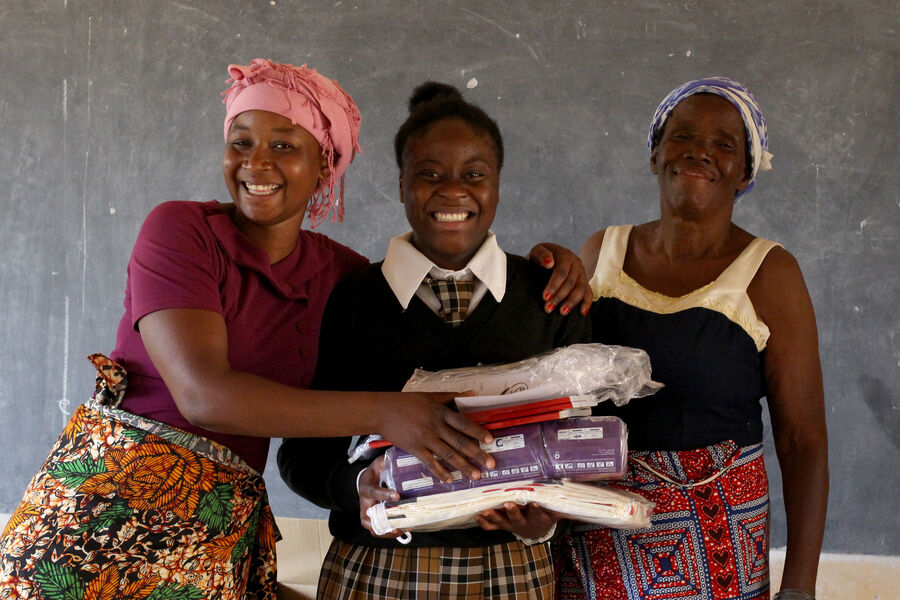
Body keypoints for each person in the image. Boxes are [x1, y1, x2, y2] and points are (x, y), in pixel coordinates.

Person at [0, 60, 587, 599]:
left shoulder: (340, 276)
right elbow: (203, 397)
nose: (257, 163)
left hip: (219, 527)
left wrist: (557, 265)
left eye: (284, 145)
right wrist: (383, 415)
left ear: (325, 164)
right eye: (241, 143)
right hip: (104, 517)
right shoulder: (180, 231)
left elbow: (420, 288)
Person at [278, 82, 592, 600]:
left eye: (474, 174)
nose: (452, 191)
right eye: (429, 174)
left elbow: (584, 445)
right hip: (378, 568)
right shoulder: (351, 300)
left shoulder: (550, 295)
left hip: (511, 568)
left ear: (497, 186)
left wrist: (550, 520)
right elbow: (300, 453)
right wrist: (356, 487)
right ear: (401, 185)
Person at [554, 77, 829, 600]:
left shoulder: (770, 273)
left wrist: (799, 587)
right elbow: (556, 389)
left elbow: (803, 443)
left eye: (725, 144)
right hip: (596, 542)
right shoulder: (601, 254)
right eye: (682, 136)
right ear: (656, 153)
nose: (700, 151)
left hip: (719, 551)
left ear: (745, 170)